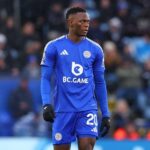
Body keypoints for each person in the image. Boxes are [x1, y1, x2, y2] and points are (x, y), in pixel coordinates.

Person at [40, 7, 110, 150]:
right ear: (70, 22)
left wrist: (106, 113)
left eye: (88, 22)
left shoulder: (95, 49)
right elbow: (45, 78)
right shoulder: (53, 47)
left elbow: (100, 82)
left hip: (87, 109)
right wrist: (46, 104)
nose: (86, 25)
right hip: (63, 110)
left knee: (86, 146)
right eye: (82, 21)